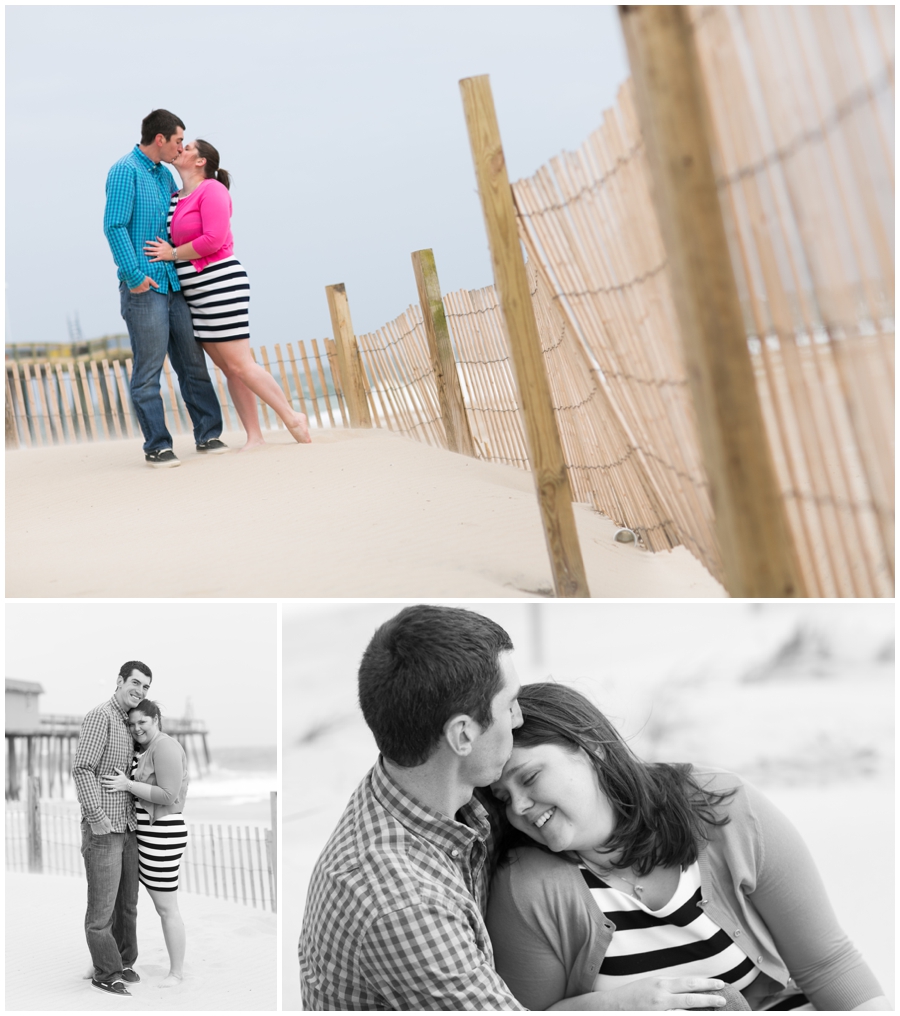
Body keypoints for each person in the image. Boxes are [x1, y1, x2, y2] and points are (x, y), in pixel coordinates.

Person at [486, 683, 891, 1012]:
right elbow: (525, 1013)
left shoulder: (721, 808)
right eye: (503, 797)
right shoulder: (527, 885)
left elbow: (827, 964)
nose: (519, 807)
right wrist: (614, 1008)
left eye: (531, 777)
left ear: (592, 746)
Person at [299, 605, 617, 1011]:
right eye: (510, 705)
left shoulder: (425, 786)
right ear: (463, 735)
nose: (519, 719)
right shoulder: (403, 903)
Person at [144, 139, 311, 450]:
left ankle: (292, 417)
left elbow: (213, 239)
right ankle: (255, 437)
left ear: (201, 161)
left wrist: (173, 253)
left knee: (240, 364)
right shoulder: (175, 197)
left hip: (219, 283)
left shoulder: (212, 190)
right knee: (229, 368)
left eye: (189, 146)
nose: (182, 148)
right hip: (194, 291)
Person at [104, 109, 227, 468]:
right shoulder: (125, 170)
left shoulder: (164, 178)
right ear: (160, 139)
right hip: (145, 286)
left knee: (192, 363)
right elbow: (114, 226)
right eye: (177, 141)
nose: (179, 148)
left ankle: (209, 434)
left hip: (174, 283)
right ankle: (157, 445)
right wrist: (133, 276)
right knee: (149, 370)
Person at [72, 661, 153, 997]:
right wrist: (95, 814)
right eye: (135, 683)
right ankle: (105, 972)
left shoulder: (128, 722)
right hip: (104, 829)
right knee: (101, 909)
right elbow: (82, 768)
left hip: (128, 827)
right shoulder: (100, 716)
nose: (140, 690)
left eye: (146, 687)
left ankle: (122, 961)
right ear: (120, 681)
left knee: (127, 905)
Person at [102, 700, 189, 988]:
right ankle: (113, 960)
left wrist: (127, 785)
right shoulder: (146, 749)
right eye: (132, 723)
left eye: (143, 722)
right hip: (146, 835)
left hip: (162, 835)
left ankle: (176, 973)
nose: (136, 727)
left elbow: (167, 795)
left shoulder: (165, 747)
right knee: (129, 903)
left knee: (166, 907)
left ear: (156, 719)